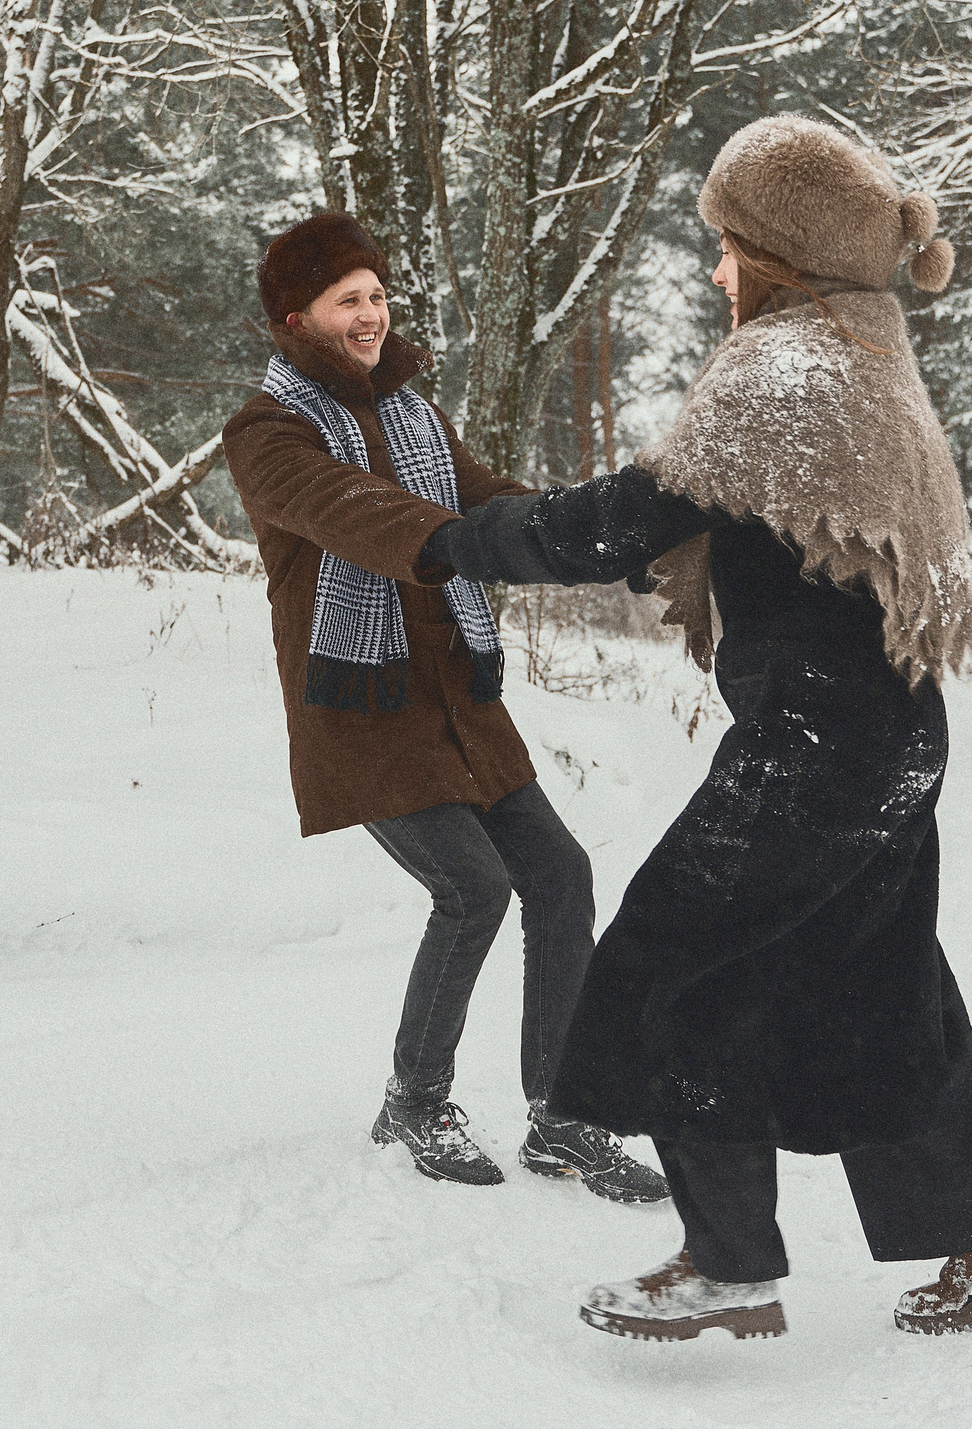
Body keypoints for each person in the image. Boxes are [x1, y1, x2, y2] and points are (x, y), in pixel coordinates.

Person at [424, 119, 972, 1341]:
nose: (716, 269)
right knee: (863, 986)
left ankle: (726, 1262)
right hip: (886, 730)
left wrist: (452, 541)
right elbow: (752, 526)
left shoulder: (787, 365)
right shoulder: (862, 345)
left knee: (675, 964)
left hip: (819, 743)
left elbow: (635, 512)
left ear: (773, 248)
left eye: (726, 245)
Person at [220, 211, 667, 1205]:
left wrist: (596, 541)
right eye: (349, 300)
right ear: (298, 318)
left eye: (377, 294)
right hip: (362, 701)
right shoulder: (267, 434)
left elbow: (487, 499)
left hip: (457, 696)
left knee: (559, 875)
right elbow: (363, 516)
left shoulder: (416, 415)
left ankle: (563, 1114)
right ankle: (415, 1100)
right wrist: (470, 540)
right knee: (472, 888)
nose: (372, 312)